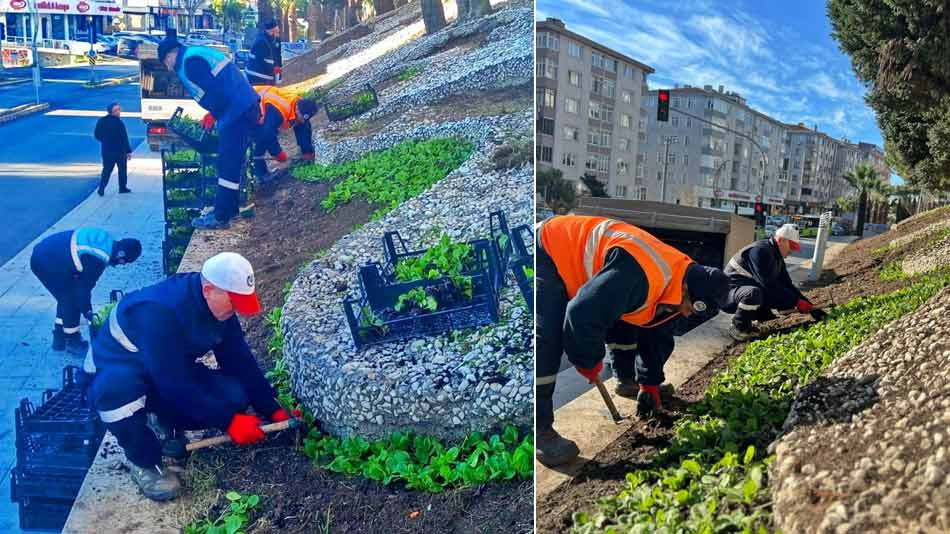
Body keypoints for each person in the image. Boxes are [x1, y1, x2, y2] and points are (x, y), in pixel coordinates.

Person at [87, 252, 297, 501]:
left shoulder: (221, 309)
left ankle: (160, 417)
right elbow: (173, 383)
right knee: (118, 388)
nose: (236, 311)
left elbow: (240, 360)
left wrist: (271, 408)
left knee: (235, 395)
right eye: (234, 302)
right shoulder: (159, 312)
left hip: (165, 369)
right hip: (116, 373)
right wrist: (228, 421)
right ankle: (143, 461)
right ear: (209, 290)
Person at [534, 215, 730, 467]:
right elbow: (580, 314)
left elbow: (656, 330)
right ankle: (541, 432)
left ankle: (627, 381)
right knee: (547, 337)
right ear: (686, 291)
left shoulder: (678, 278)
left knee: (625, 310)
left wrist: (649, 383)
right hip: (552, 246)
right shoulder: (641, 274)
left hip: (610, 269)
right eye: (691, 307)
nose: (687, 313)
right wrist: (588, 361)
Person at [158, 36, 261, 230]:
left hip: (236, 111)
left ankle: (221, 216)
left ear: (171, 54)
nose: (168, 68)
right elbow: (218, 86)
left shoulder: (190, 63)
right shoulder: (194, 55)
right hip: (242, 107)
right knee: (230, 161)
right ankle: (229, 210)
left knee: (227, 162)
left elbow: (215, 92)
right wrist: (213, 114)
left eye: (166, 62)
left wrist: (216, 114)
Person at [30, 228, 141, 356]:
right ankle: (72, 340)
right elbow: (84, 289)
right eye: (123, 262)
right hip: (46, 262)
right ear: (121, 254)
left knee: (66, 296)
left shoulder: (107, 242)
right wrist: (88, 313)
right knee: (71, 299)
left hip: (47, 253)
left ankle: (59, 338)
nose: (120, 264)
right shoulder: (99, 258)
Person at [723, 223, 827, 341]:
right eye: (791, 247)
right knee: (757, 293)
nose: (792, 251)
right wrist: (796, 302)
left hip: (742, 290)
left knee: (781, 299)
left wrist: (810, 306)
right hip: (728, 294)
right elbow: (767, 284)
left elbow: (787, 284)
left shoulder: (776, 257)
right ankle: (739, 327)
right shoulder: (760, 251)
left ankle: (749, 323)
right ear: (781, 240)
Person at [252, 85, 319, 182]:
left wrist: (307, 151)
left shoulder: (300, 105)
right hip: (248, 104)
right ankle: (262, 175)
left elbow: (304, 127)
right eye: (301, 117)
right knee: (260, 140)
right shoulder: (279, 111)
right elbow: (266, 134)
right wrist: (278, 153)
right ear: (297, 110)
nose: (302, 121)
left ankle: (306, 152)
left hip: (265, 106)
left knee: (301, 124)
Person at [93, 102, 133, 196]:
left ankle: (101, 188)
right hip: (120, 151)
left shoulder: (101, 121)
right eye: (117, 110)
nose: (120, 112)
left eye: (119, 109)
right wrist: (128, 151)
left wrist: (105, 141)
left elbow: (97, 135)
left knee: (106, 170)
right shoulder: (119, 122)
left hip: (107, 150)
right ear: (113, 111)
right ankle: (122, 188)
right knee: (122, 170)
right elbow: (124, 138)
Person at [246, 20, 282, 86]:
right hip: (258, 76)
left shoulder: (270, 40)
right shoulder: (262, 41)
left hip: (263, 76)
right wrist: (274, 70)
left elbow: (274, 57)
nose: (278, 33)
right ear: (272, 30)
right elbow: (263, 61)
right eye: (276, 31)